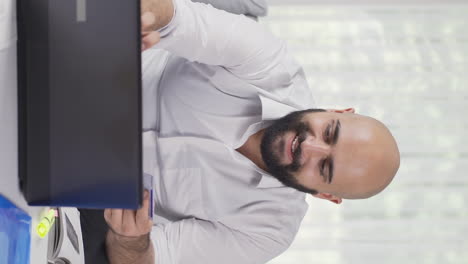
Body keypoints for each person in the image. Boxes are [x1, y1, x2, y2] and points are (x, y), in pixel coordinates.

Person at [102, 0, 401, 263]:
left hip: (87, 187)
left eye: (324, 167)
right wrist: (147, 13)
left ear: (325, 194)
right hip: (94, 72)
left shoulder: (268, 231)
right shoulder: (272, 64)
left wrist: (130, 239)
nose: (309, 146)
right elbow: (177, 18)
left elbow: (151, 258)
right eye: (329, 133)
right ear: (336, 112)